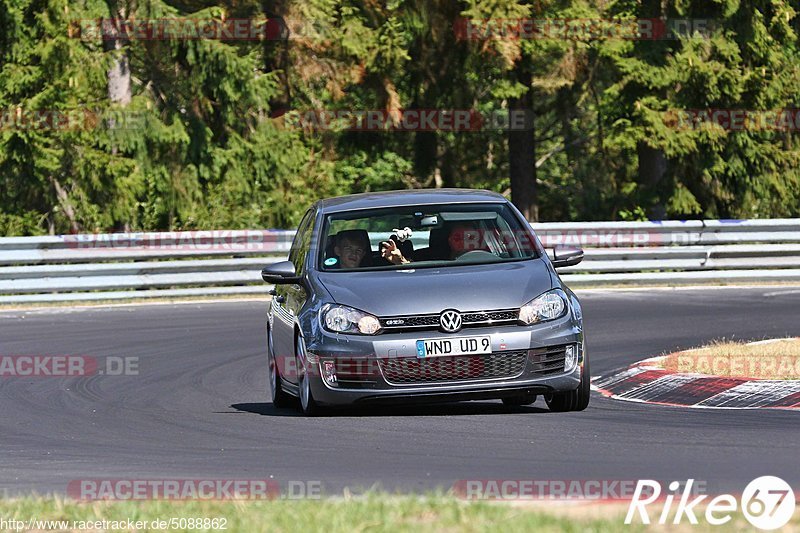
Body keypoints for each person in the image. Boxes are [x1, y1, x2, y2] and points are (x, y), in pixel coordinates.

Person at [381, 223, 482, 264]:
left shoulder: (487, 261)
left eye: (470, 237)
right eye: (457, 237)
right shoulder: (427, 259)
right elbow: (412, 270)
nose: (463, 241)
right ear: (449, 239)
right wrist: (400, 261)